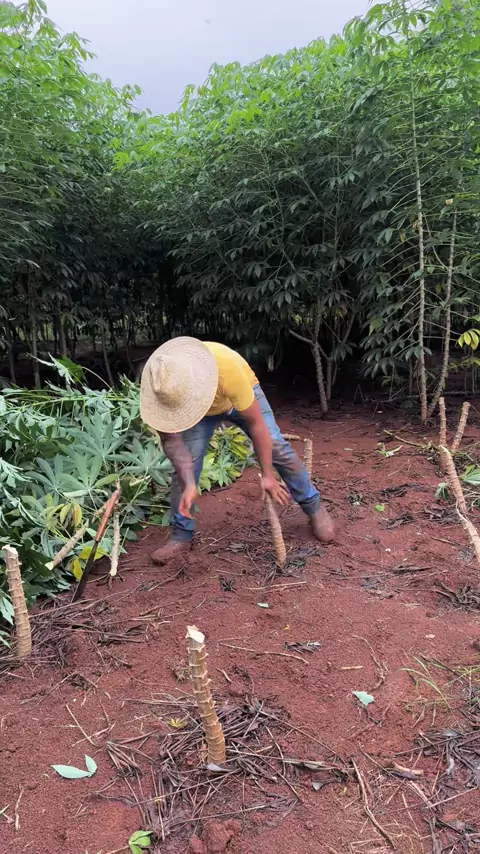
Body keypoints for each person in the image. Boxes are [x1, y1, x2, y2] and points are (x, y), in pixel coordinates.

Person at [140, 337, 335, 564]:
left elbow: (257, 425)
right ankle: (181, 535)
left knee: (277, 446)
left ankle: (313, 506)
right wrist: (190, 482)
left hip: (236, 397)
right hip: (200, 413)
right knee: (185, 470)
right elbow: (172, 442)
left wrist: (268, 475)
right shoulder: (159, 388)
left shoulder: (226, 369)